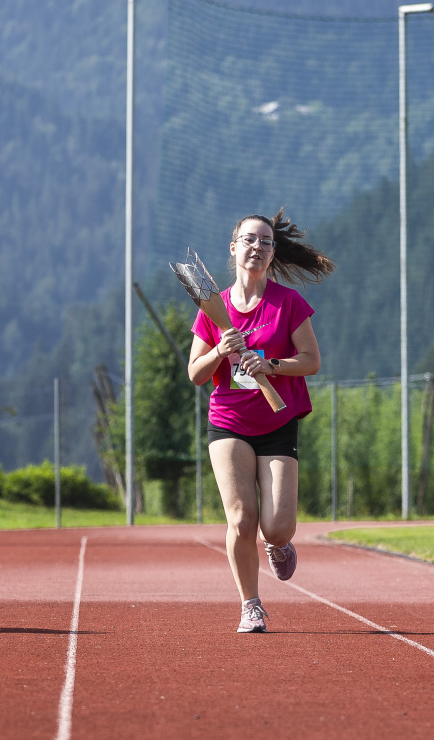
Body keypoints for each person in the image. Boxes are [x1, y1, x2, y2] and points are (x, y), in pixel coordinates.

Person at [187, 209, 334, 633]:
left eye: (266, 242)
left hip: (277, 421)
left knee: (277, 526)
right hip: (228, 422)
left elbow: (311, 362)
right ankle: (250, 604)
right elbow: (195, 373)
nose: (258, 247)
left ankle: (279, 544)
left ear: (272, 253)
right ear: (233, 249)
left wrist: (271, 365)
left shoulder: (288, 304)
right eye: (249, 240)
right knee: (241, 519)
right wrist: (220, 350)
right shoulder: (213, 309)